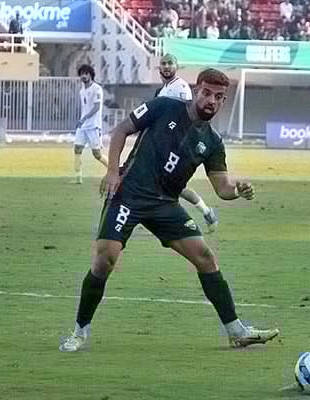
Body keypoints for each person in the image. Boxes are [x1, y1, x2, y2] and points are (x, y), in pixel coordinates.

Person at [58, 68, 280, 352]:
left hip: (165, 204)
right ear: (196, 90)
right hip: (129, 193)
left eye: (219, 97)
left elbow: (223, 188)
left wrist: (238, 190)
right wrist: (113, 171)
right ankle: (80, 331)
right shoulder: (164, 106)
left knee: (206, 257)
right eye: (207, 93)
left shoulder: (212, 142)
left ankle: (236, 331)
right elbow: (122, 129)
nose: (211, 100)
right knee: (105, 259)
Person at [155, 54, 219, 233]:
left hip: (177, 145)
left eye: (170, 63)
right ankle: (205, 213)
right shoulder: (162, 90)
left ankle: (186, 223)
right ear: (159, 67)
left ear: (176, 66)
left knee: (169, 185)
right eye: (163, 64)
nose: (166, 66)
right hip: (162, 145)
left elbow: (187, 116)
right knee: (173, 186)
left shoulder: (181, 87)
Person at [73, 64, 108, 184]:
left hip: (93, 126)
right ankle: (78, 178)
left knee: (97, 154)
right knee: (77, 149)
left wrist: (84, 119)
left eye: (86, 73)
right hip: (82, 126)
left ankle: (115, 171)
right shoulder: (82, 91)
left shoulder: (97, 89)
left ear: (90, 75)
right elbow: (85, 108)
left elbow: (96, 107)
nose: (84, 76)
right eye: (82, 74)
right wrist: (81, 120)